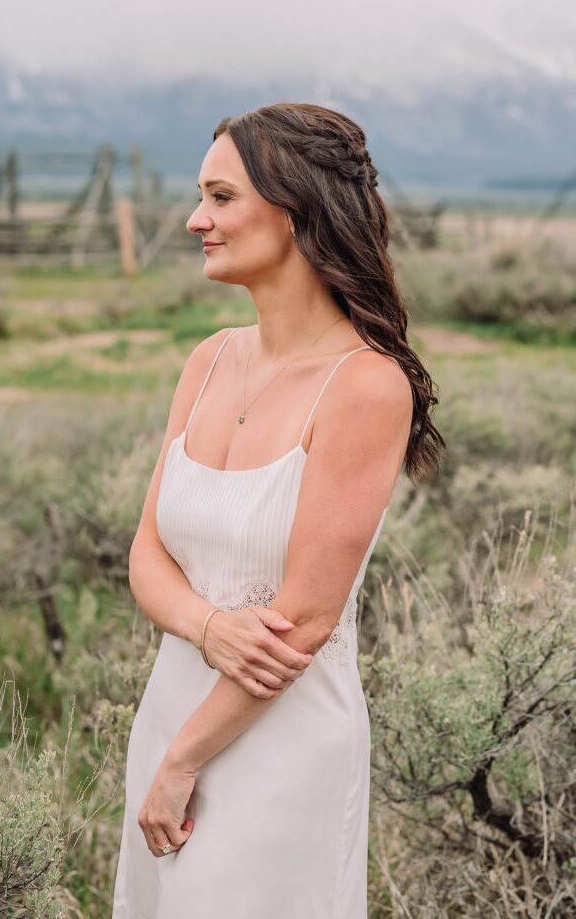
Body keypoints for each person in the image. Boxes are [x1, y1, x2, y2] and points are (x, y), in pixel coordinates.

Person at [112, 102, 444, 918]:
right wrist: (207, 626)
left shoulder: (366, 386)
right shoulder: (209, 359)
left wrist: (185, 762)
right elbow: (146, 554)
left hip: (280, 745)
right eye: (202, 197)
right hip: (171, 715)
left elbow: (302, 620)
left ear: (295, 212)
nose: (197, 220)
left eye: (221, 198)